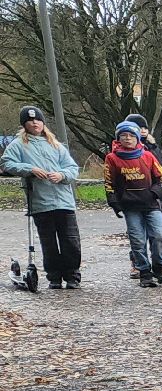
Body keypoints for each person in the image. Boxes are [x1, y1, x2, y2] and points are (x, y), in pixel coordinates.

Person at [1, 106, 82, 289]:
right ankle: (54, 277)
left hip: (63, 200)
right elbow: (7, 162)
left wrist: (61, 175)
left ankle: (72, 276)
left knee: (70, 240)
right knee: (49, 242)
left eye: (38, 119)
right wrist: (29, 169)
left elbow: (72, 168)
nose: (35, 123)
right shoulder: (18, 145)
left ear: (43, 122)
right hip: (40, 201)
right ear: (24, 124)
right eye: (30, 120)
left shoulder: (55, 145)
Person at [104, 121, 162, 288]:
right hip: (130, 206)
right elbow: (108, 182)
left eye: (131, 135)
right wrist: (113, 201)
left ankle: (159, 268)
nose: (127, 139)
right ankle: (144, 272)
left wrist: (155, 193)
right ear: (118, 138)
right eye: (123, 136)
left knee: (159, 235)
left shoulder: (147, 156)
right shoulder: (112, 158)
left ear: (137, 138)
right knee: (137, 240)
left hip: (150, 204)